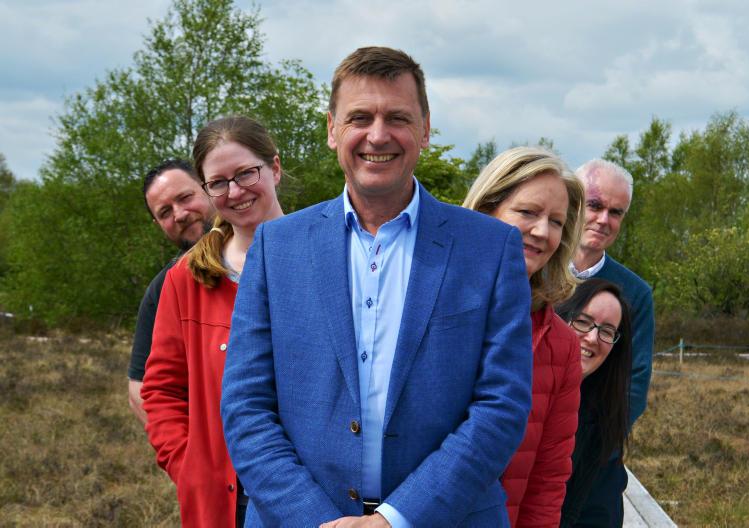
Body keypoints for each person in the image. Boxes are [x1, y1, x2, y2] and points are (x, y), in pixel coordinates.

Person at [221, 46, 533, 527]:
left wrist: (394, 519)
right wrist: (314, 519)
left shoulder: (490, 248)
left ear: (425, 130)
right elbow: (246, 406)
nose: (378, 135)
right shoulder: (276, 247)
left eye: (398, 117)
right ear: (332, 130)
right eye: (360, 117)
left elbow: (502, 406)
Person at [141, 116, 284, 527]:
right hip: (225, 501)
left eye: (246, 173)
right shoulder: (185, 280)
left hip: (312, 496)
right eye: (218, 183)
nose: (235, 191)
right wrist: (189, 465)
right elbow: (161, 390)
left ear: (274, 168)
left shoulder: (325, 258)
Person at [464, 147, 584, 527]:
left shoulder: (562, 346)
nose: (542, 232)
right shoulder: (426, 305)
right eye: (528, 212)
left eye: (556, 221)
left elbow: (547, 481)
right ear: (486, 209)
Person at [571, 159, 655, 526]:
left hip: (593, 460)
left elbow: (635, 383)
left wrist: (594, 445)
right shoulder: (535, 270)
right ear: (573, 202)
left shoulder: (634, 293)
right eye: (595, 205)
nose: (604, 219)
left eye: (616, 212)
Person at [128, 160, 215, 423]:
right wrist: (186, 447)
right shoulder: (163, 288)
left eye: (185, 198)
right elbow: (139, 390)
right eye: (165, 212)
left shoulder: (269, 249)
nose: (179, 215)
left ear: (208, 187)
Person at [554, 279, 632, 527]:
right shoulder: (514, 391)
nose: (592, 337)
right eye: (582, 321)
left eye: (607, 331)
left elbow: (602, 515)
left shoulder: (602, 425)